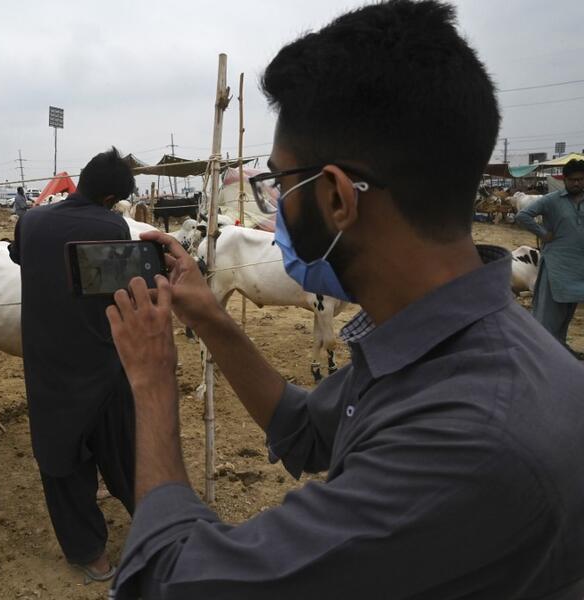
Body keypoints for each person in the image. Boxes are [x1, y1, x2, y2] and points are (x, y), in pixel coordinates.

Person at [105, 2, 584, 598]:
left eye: (279, 185)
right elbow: (303, 430)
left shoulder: (463, 442)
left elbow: (167, 581)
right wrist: (208, 314)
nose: (275, 208)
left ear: (336, 197)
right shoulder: (448, 343)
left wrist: (151, 383)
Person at [9, 148, 136, 582]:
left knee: (61, 461)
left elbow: (20, 256)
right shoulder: (111, 225)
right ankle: (154, 522)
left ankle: (90, 555)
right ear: (110, 199)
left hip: (48, 368)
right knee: (123, 450)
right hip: (102, 363)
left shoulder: (31, 221)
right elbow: (119, 287)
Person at [516, 159, 584, 358]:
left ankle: (560, 348)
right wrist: (543, 233)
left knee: (566, 314)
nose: (577, 183)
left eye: (581, 179)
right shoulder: (552, 200)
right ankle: (539, 354)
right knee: (546, 316)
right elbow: (523, 216)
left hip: (578, 267)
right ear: (564, 180)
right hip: (556, 265)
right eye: (573, 180)